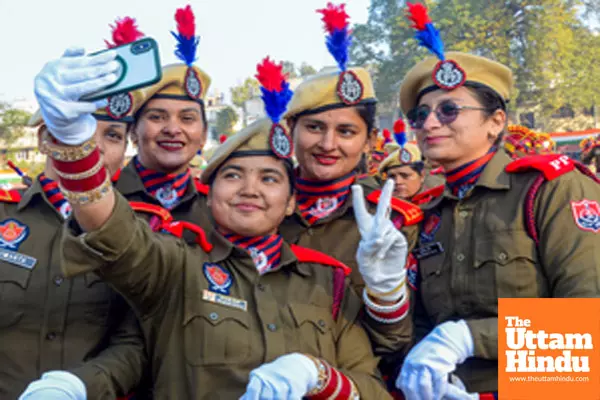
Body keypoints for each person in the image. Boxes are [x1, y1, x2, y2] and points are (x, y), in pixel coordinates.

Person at [31, 49, 405, 398]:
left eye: (270, 179)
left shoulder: (329, 281)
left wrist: (319, 376)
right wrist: (73, 146)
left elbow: (371, 385)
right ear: (206, 196)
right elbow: (114, 232)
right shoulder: (178, 261)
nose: (250, 190)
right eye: (233, 176)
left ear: (291, 202)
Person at [394, 4, 600, 399]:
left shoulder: (550, 190)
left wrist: (469, 338)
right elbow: (416, 331)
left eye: (449, 109)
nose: (430, 123)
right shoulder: (428, 212)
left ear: (496, 122)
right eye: (421, 114)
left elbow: (587, 325)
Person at [4, 17, 147, 400]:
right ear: (46, 138)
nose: (96, 146)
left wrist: (81, 386)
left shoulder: (140, 232)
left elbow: (136, 342)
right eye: (78, 130)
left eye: (113, 136)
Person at [114, 5, 214, 234]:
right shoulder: (105, 198)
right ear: (132, 132)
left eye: (187, 118)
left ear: (204, 136)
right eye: (157, 117)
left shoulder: (218, 207)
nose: (172, 129)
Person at [378, 119, 426, 202]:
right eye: (391, 177)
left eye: (405, 175)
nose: (397, 182)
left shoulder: (438, 205)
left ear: (422, 176)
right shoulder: (380, 205)